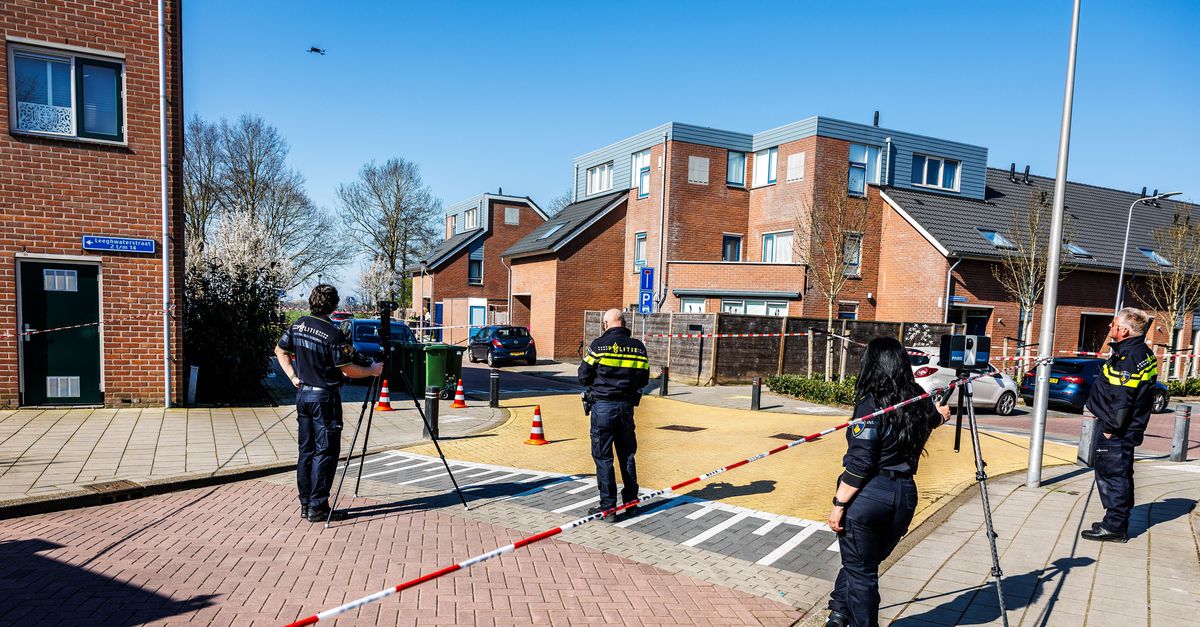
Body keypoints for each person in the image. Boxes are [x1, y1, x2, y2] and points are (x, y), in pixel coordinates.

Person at [825, 337, 951, 627]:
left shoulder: (870, 405)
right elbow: (933, 418)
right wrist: (942, 416)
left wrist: (839, 504)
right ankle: (839, 612)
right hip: (904, 496)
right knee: (864, 565)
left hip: (870, 495)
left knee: (862, 573)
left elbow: (861, 462)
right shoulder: (916, 397)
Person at [275, 285, 383, 523]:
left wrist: (293, 376)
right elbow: (348, 370)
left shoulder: (298, 325)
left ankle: (305, 504)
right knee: (325, 452)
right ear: (334, 306)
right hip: (325, 398)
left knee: (306, 451)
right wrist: (372, 370)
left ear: (312, 302)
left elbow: (280, 350)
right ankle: (318, 506)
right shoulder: (333, 334)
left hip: (303, 395)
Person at [1081, 307, 1157, 543]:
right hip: (1124, 427)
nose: (1110, 327)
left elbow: (1123, 397)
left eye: (1113, 324)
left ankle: (1114, 526)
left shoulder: (1129, 358)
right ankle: (1115, 521)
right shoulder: (1142, 353)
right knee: (1120, 474)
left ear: (1123, 330)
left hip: (1117, 429)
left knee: (1113, 475)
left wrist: (1110, 428)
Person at [578, 308, 650, 522]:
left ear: (606, 323)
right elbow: (644, 379)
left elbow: (583, 376)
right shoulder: (638, 348)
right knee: (627, 455)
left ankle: (608, 508)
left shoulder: (598, 346)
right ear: (624, 323)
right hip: (626, 408)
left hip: (603, 408)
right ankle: (631, 504)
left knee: (603, 457)